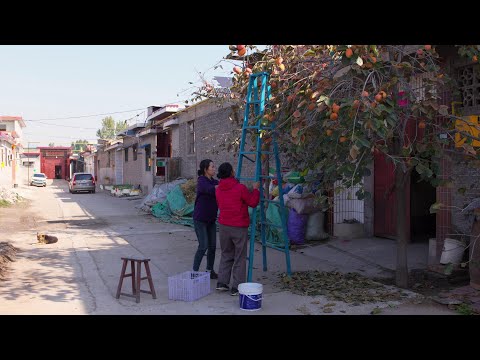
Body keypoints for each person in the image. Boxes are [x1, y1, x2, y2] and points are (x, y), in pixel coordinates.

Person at [215, 162, 260, 295]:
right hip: (238, 226)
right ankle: (237, 286)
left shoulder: (218, 189)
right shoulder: (240, 188)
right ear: (231, 173)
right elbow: (252, 203)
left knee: (226, 254)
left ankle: (222, 282)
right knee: (239, 257)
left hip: (223, 226)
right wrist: (256, 189)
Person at [192, 159, 219, 279]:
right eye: (212, 167)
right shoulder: (202, 181)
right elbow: (210, 190)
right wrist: (224, 185)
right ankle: (194, 272)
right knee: (203, 246)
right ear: (205, 169)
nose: (214, 169)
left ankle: (209, 270)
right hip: (200, 219)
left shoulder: (214, 181)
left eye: (214, 167)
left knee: (212, 246)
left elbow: (218, 188)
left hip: (211, 219)